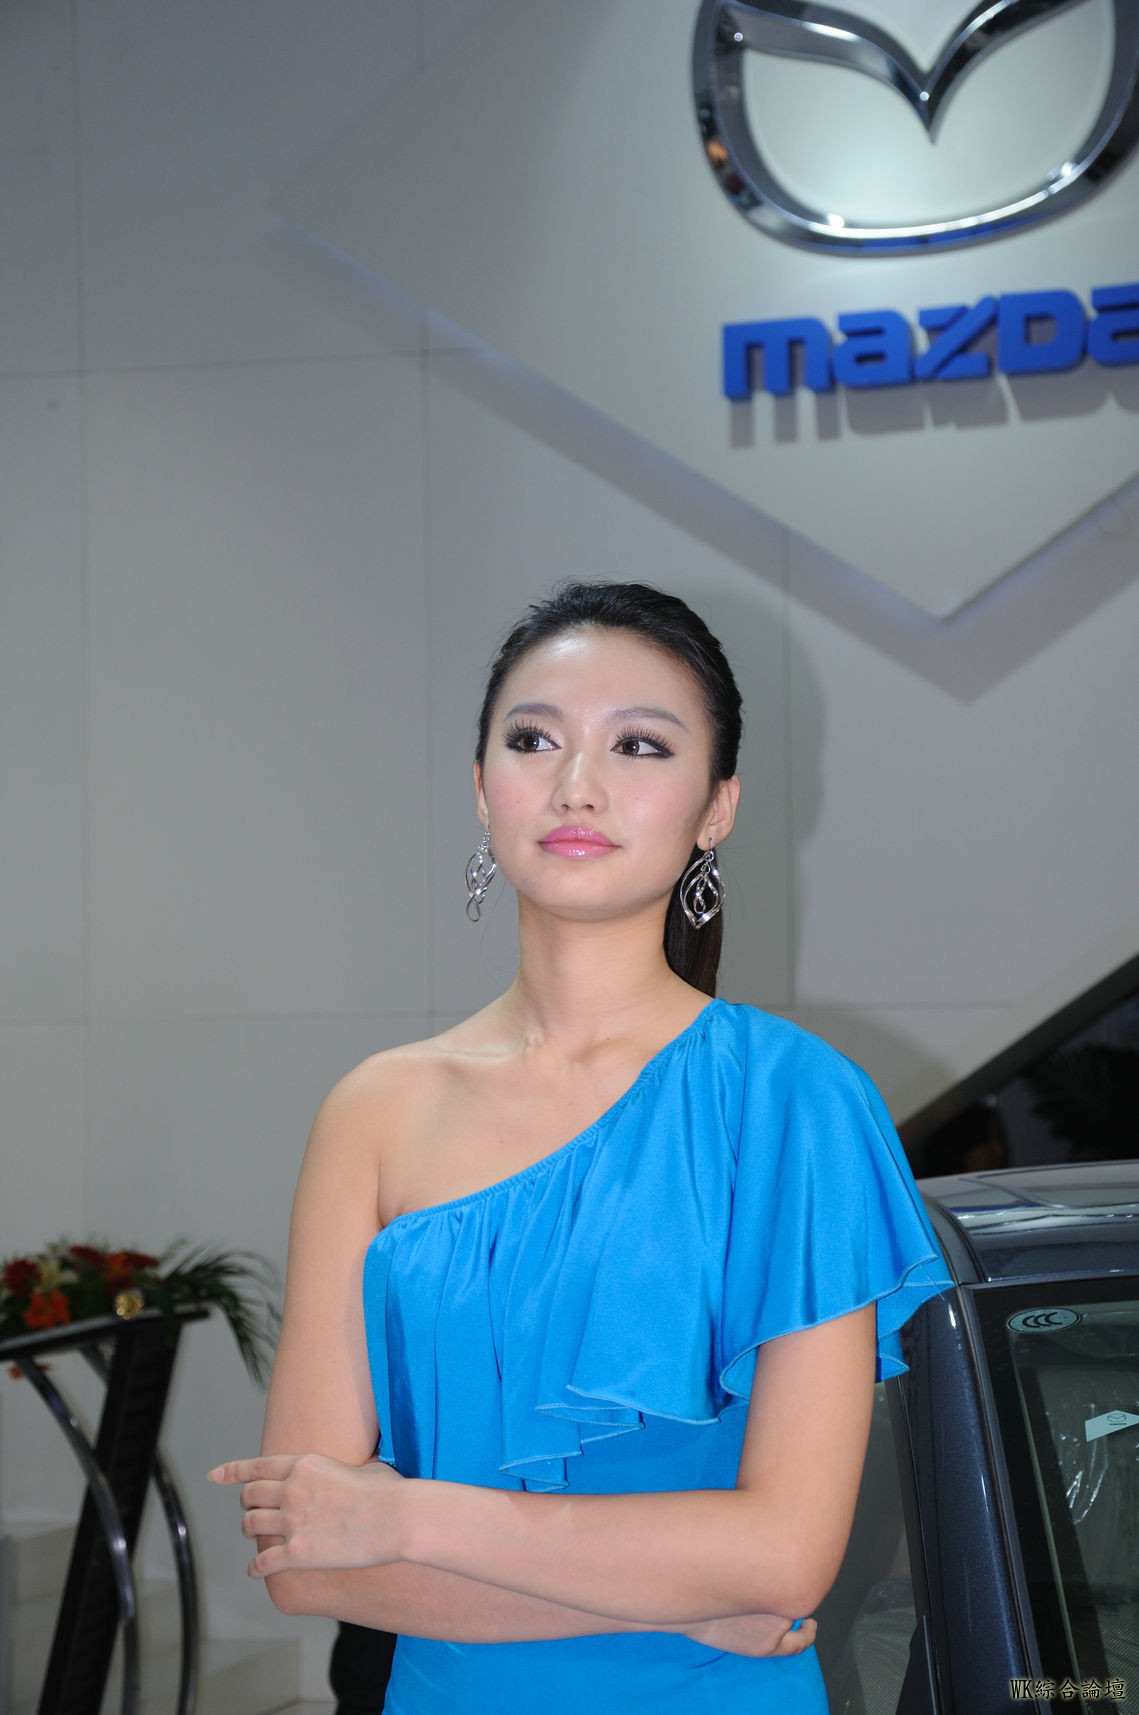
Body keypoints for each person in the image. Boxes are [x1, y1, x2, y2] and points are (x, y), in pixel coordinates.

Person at [210, 581, 954, 1713]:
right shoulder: (374, 1109)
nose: (576, 784)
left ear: (716, 807)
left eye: (639, 744)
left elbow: (783, 1555)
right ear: (479, 786)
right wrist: (676, 1593)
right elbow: (305, 1557)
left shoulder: (793, 1100)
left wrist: (407, 1515)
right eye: (533, 738)